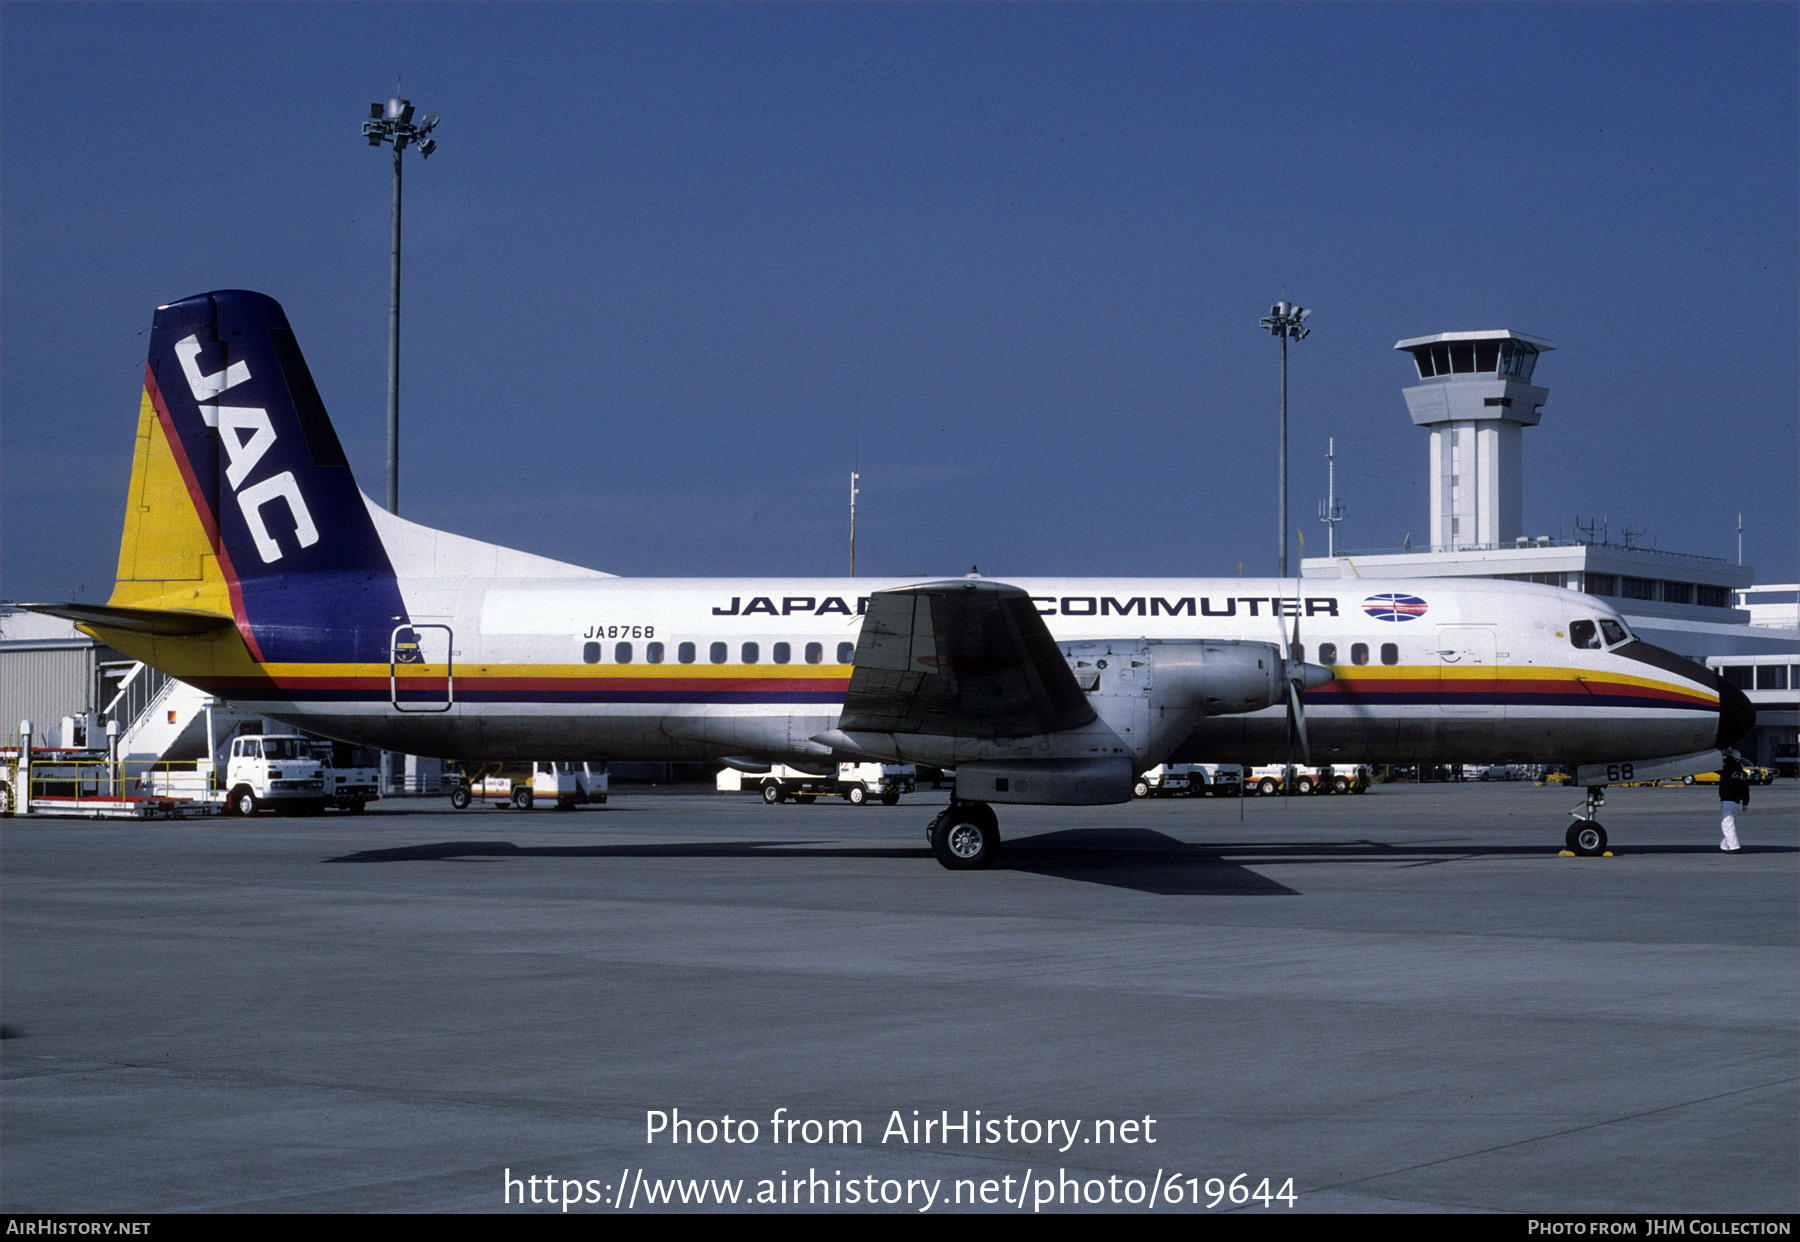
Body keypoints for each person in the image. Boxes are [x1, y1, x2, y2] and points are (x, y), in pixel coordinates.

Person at [1717, 758, 1749, 853]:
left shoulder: (1727, 770)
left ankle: (1734, 847)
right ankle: (1724, 846)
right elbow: (1746, 790)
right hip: (1736, 803)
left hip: (1727, 800)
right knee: (1729, 824)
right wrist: (1745, 803)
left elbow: (1716, 770)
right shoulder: (1743, 774)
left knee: (1727, 824)